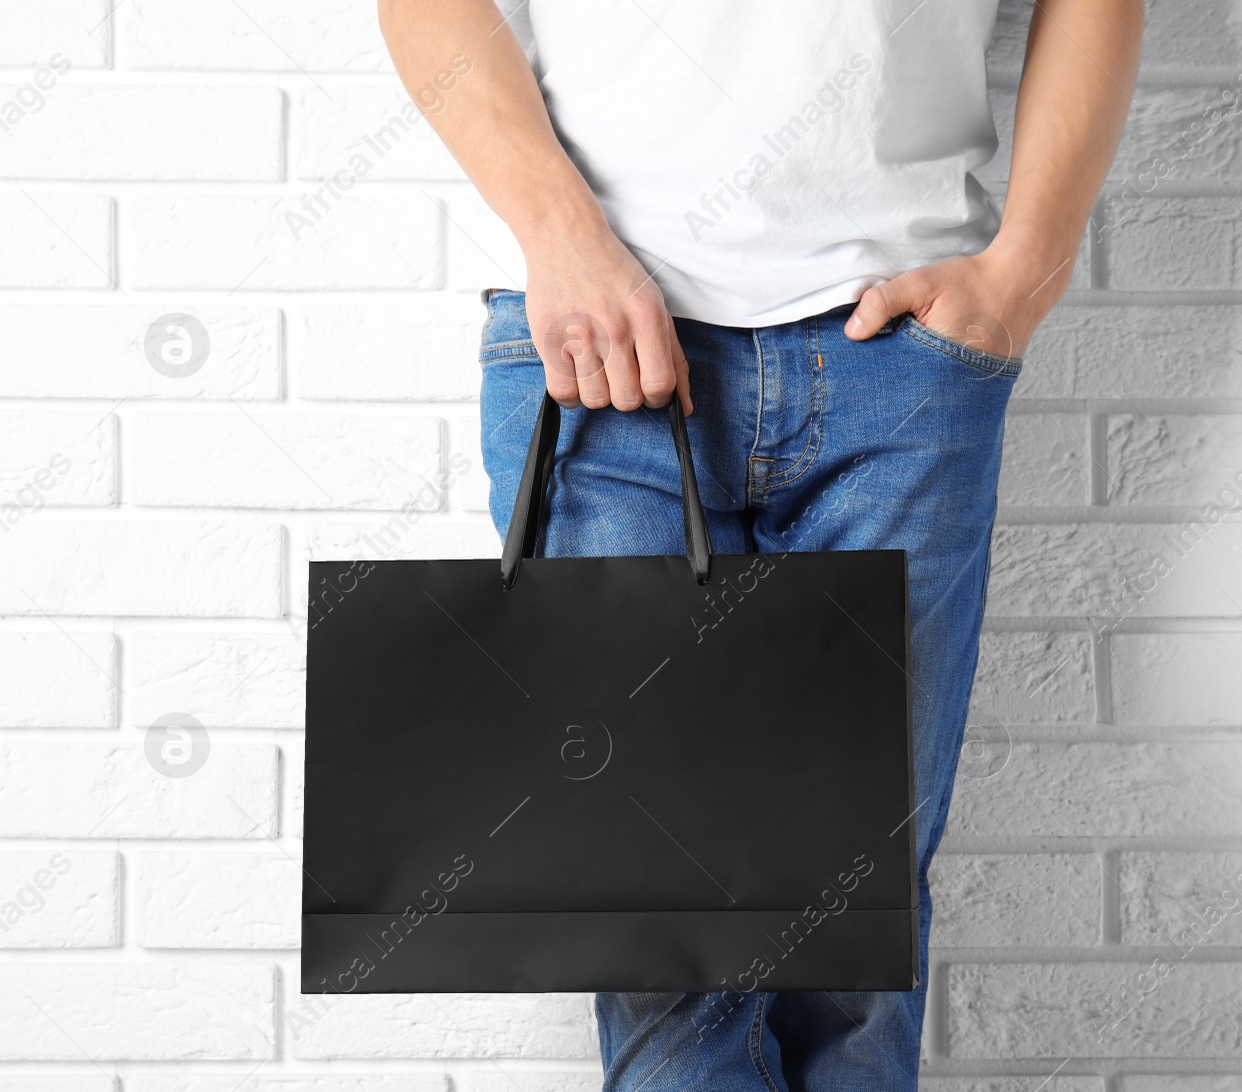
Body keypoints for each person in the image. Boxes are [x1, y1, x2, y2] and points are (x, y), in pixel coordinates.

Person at [378, 1, 1141, 1087]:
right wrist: (563, 240)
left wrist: (1024, 271)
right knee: (644, 923)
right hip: (597, 349)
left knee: (857, 919)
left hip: (901, 355)